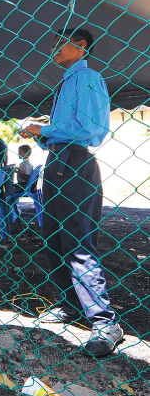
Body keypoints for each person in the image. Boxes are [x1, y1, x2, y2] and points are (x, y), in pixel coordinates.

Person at [21, 27, 121, 358]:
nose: (53, 50)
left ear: (80, 46)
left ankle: (106, 323)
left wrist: (45, 129)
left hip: (77, 165)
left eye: (58, 45)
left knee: (78, 243)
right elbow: (64, 132)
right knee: (53, 238)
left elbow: (92, 131)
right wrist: (41, 134)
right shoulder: (66, 81)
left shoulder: (88, 77)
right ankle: (70, 306)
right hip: (57, 163)